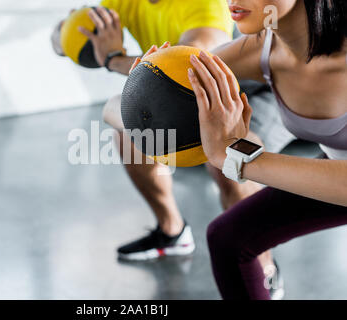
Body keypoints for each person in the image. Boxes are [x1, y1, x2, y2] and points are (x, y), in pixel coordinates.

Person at [52, 1, 293, 296]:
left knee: (231, 159)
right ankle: (172, 232)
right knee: (130, 132)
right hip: (189, 94)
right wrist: (67, 33)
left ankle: (264, 268)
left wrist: (114, 58)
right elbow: (60, 43)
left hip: (257, 88)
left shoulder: (204, 6)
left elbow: (188, 67)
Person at [135, 0, 346, 299]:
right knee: (229, 238)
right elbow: (122, 106)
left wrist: (236, 156)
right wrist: (145, 86)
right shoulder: (263, 50)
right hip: (335, 167)